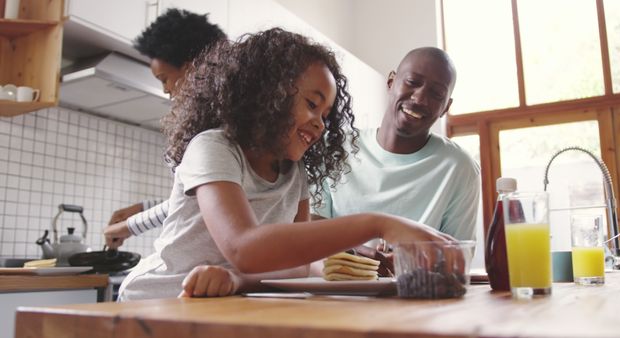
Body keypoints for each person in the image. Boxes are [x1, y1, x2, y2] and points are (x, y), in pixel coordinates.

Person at [119, 28, 455, 301]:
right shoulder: (214, 147)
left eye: (326, 115)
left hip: (217, 306)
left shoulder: (295, 177)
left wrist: (237, 280)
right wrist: (378, 223)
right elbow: (244, 247)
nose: (321, 124)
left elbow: (297, 266)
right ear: (267, 93)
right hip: (155, 302)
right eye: (312, 104)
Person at [312, 47, 480, 274]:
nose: (420, 98)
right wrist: (359, 256)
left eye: (437, 94)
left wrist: (408, 263)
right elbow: (308, 229)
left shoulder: (459, 167)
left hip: (416, 299)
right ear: (391, 82)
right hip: (336, 296)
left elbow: (458, 257)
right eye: (412, 82)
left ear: (446, 108)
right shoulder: (334, 149)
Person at [104, 8, 227, 248]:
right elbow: (195, 198)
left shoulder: (214, 135)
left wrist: (130, 225)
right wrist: (142, 211)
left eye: (164, 78)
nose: (165, 90)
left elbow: (206, 203)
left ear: (196, 68)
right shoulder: (218, 122)